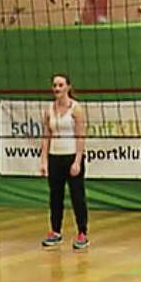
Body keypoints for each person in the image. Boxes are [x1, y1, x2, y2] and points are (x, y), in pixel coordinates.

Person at [39, 74, 88, 250]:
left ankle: (82, 233)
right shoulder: (48, 110)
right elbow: (46, 136)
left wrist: (77, 161)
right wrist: (44, 160)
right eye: (54, 85)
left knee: (77, 196)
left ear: (68, 87)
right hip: (55, 157)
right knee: (55, 196)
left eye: (60, 85)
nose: (57, 88)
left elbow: (81, 135)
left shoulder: (76, 109)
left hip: (72, 156)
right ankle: (55, 231)